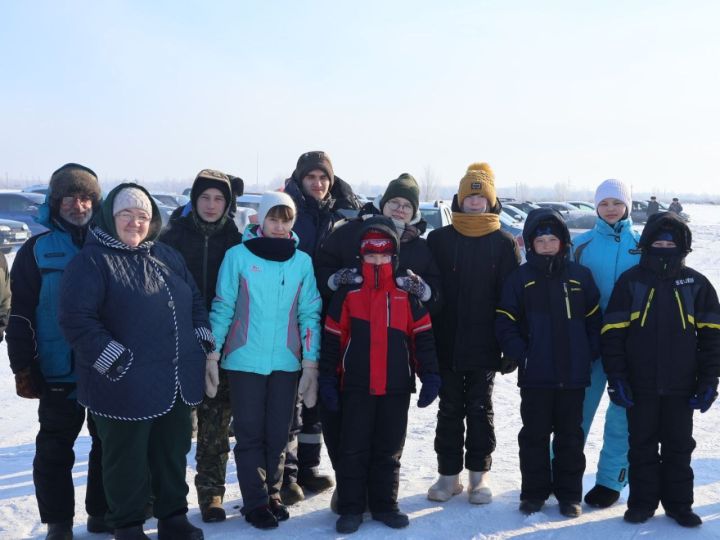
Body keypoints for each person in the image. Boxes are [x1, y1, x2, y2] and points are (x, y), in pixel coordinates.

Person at [58, 184, 210, 540]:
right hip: (121, 381)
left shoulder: (167, 255)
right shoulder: (91, 260)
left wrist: (201, 336)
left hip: (174, 379)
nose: (135, 223)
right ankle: (126, 524)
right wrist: (111, 357)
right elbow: (76, 319)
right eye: (126, 214)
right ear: (111, 217)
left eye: (142, 216)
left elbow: (194, 299)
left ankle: (172, 516)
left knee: (172, 451)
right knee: (125, 457)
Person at [314, 172, 442, 511]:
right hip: (352, 359)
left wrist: (422, 291)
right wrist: (335, 280)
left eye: (406, 205)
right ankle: (351, 497)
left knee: (387, 444)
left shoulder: (420, 247)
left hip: (394, 373)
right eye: (394, 202)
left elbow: (428, 316)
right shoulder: (349, 233)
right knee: (348, 439)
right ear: (382, 203)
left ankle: (383, 500)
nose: (399, 209)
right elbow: (320, 270)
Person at [6, 163, 109, 540]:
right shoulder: (36, 250)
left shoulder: (111, 244)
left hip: (104, 368)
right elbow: (21, 315)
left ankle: (101, 513)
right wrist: (23, 366)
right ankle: (58, 522)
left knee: (106, 445)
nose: (78, 205)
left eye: (85, 198)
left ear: (95, 203)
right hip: (56, 369)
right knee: (53, 450)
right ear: (55, 202)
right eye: (70, 197)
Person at [208, 191, 321, 529]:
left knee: (279, 434)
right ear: (259, 218)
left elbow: (310, 313)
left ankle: (272, 493)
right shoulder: (237, 257)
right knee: (250, 435)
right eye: (273, 218)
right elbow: (223, 306)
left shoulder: (301, 262)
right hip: (244, 361)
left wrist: (311, 364)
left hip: (286, 363)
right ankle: (255, 501)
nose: (278, 226)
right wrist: (212, 354)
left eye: (285, 220)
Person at [601, 211, 720, 527]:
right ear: (647, 243)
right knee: (641, 446)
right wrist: (617, 378)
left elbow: (712, 338)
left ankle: (679, 505)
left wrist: (710, 380)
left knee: (679, 447)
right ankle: (642, 503)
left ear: (682, 245)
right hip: (640, 385)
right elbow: (613, 334)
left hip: (683, 386)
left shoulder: (696, 284)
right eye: (658, 240)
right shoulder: (632, 282)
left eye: (671, 241)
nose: (664, 245)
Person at [496, 208, 601, 518]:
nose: (546, 244)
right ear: (530, 244)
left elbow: (595, 319)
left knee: (571, 438)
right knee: (534, 437)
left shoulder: (580, 277)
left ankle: (569, 496)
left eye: (552, 239)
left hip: (573, 376)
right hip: (535, 376)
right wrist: (520, 351)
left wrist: (588, 351)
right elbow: (505, 319)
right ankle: (534, 493)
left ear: (563, 242)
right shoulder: (521, 278)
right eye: (539, 240)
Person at [426, 162, 521, 504]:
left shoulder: (504, 243)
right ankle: (447, 477)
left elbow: (513, 300)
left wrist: (511, 345)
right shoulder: (438, 239)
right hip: (445, 344)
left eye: (481, 198)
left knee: (480, 410)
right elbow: (427, 292)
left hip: (485, 345)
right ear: (460, 200)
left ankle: (479, 477)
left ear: (491, 201)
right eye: (469, 197)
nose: (475, 203)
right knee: (449, 409)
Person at [158, 169, 242, 523]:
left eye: (218, 198)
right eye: (205, 198)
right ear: (194, 200)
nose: (211, 205)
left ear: (228, 203)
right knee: (172, 426)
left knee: (216, 424)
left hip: (221, 344)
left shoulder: (237, 242)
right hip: (178, 343)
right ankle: (160, 493)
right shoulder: (171, 238)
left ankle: (212, 494)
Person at [281, 150, 360, 503]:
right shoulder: (287, 210)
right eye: (311, 177)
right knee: (288, 397)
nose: (318, 183)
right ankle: (286, 474)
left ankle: (309, 468)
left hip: (330, 314)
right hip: (288, 312)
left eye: (323, 177)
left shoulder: (344, 211)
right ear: (300, 179)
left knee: (316, 395)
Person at [571, 178, 640, 508]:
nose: (610, 208)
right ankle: (564, 472)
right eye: (604, 203)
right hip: (589, 342)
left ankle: (611, 480)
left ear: (628, 205)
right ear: (596, 207)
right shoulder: (581, 245)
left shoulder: (642, 244)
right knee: (575, 414)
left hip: (630, 345)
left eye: (616, 202)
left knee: (621, 415)